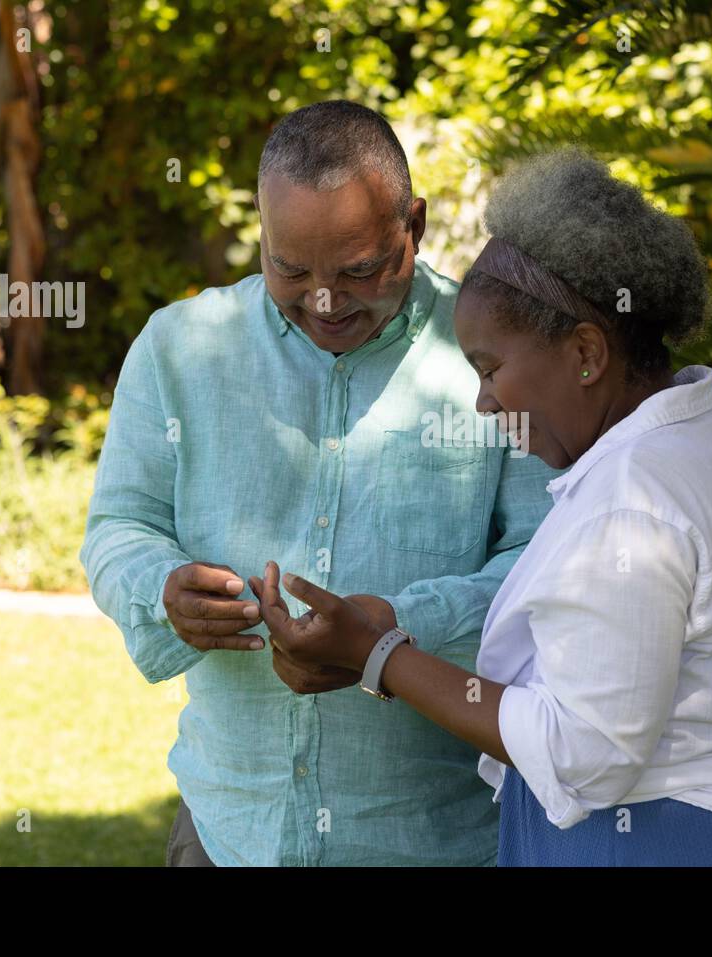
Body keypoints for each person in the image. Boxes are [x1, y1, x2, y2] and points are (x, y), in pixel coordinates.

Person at [254, 148, 712, 866]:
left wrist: (377, 654)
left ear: (586, 354)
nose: (482, 401)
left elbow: (582, 753)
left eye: (491, 368)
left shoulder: (632, 504)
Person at [79, 100, 559, 866]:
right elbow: (117, 526)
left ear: (417, 227)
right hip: (227, 829)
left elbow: (544, 562)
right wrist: (160, 586)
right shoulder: (178, 348)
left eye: (360, 269)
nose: (326, 302)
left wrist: (393, 634)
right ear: (261, 235)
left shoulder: (497, 358)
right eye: (290, 269)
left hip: (429, 840)